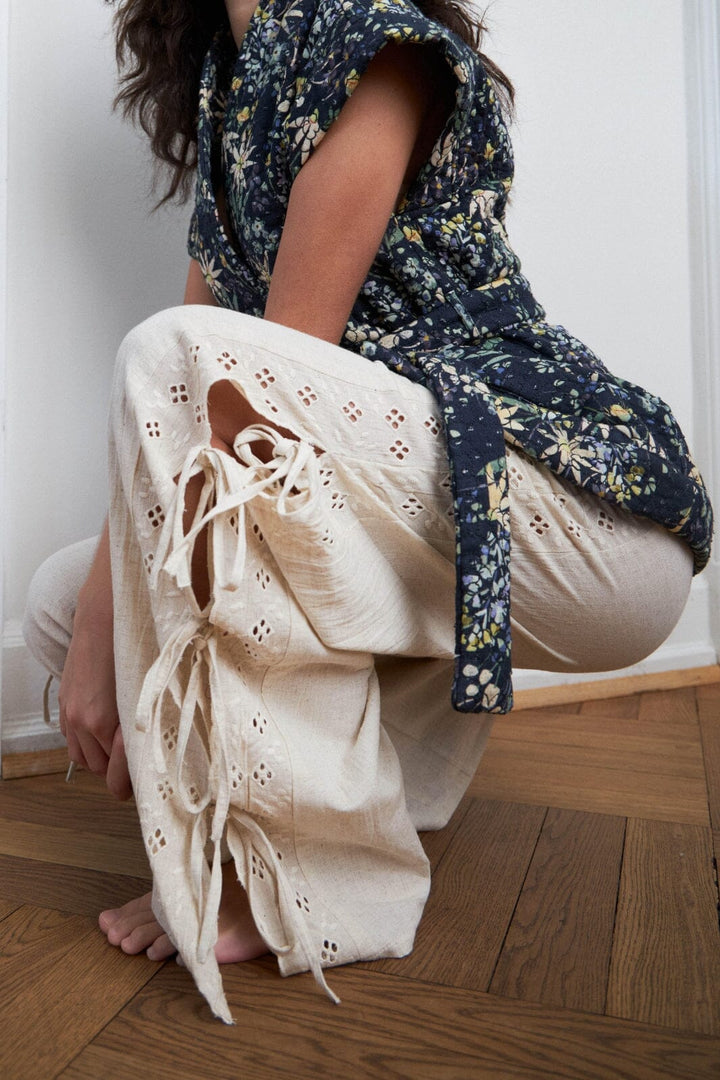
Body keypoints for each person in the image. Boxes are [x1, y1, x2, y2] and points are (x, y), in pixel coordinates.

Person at [23, 0, 712, 1023]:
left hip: (579, 526)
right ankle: (359, 801)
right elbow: (193, 424)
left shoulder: (370, 37)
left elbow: (250, 401)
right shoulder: (228, 90)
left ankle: (299, 881)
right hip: (418, 518)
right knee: (59, 597)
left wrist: (126, 637)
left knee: (173, 360)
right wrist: (99, 626)